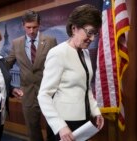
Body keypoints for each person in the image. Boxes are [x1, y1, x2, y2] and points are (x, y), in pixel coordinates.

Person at [37, 4, 104, 141]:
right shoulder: (58, 53)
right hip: (64, 123)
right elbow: (43, 95)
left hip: (84, 120)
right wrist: (60, 126)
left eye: (95, 33)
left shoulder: (84, 53)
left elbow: (86, 87)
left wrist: (96, 112)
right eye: (89, 32)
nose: (92, 38)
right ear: (74, 28)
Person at [5, 10, 57, 141]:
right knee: (32, 128)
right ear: (23, 26)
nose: (31, 31)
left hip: (50, 91)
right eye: (28, 27)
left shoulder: (50, 41)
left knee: (53, 125)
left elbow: (58, 65)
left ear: (39, 25)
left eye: (34, 27)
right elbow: (7, 64)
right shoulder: (16, 43)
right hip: (28, 93)